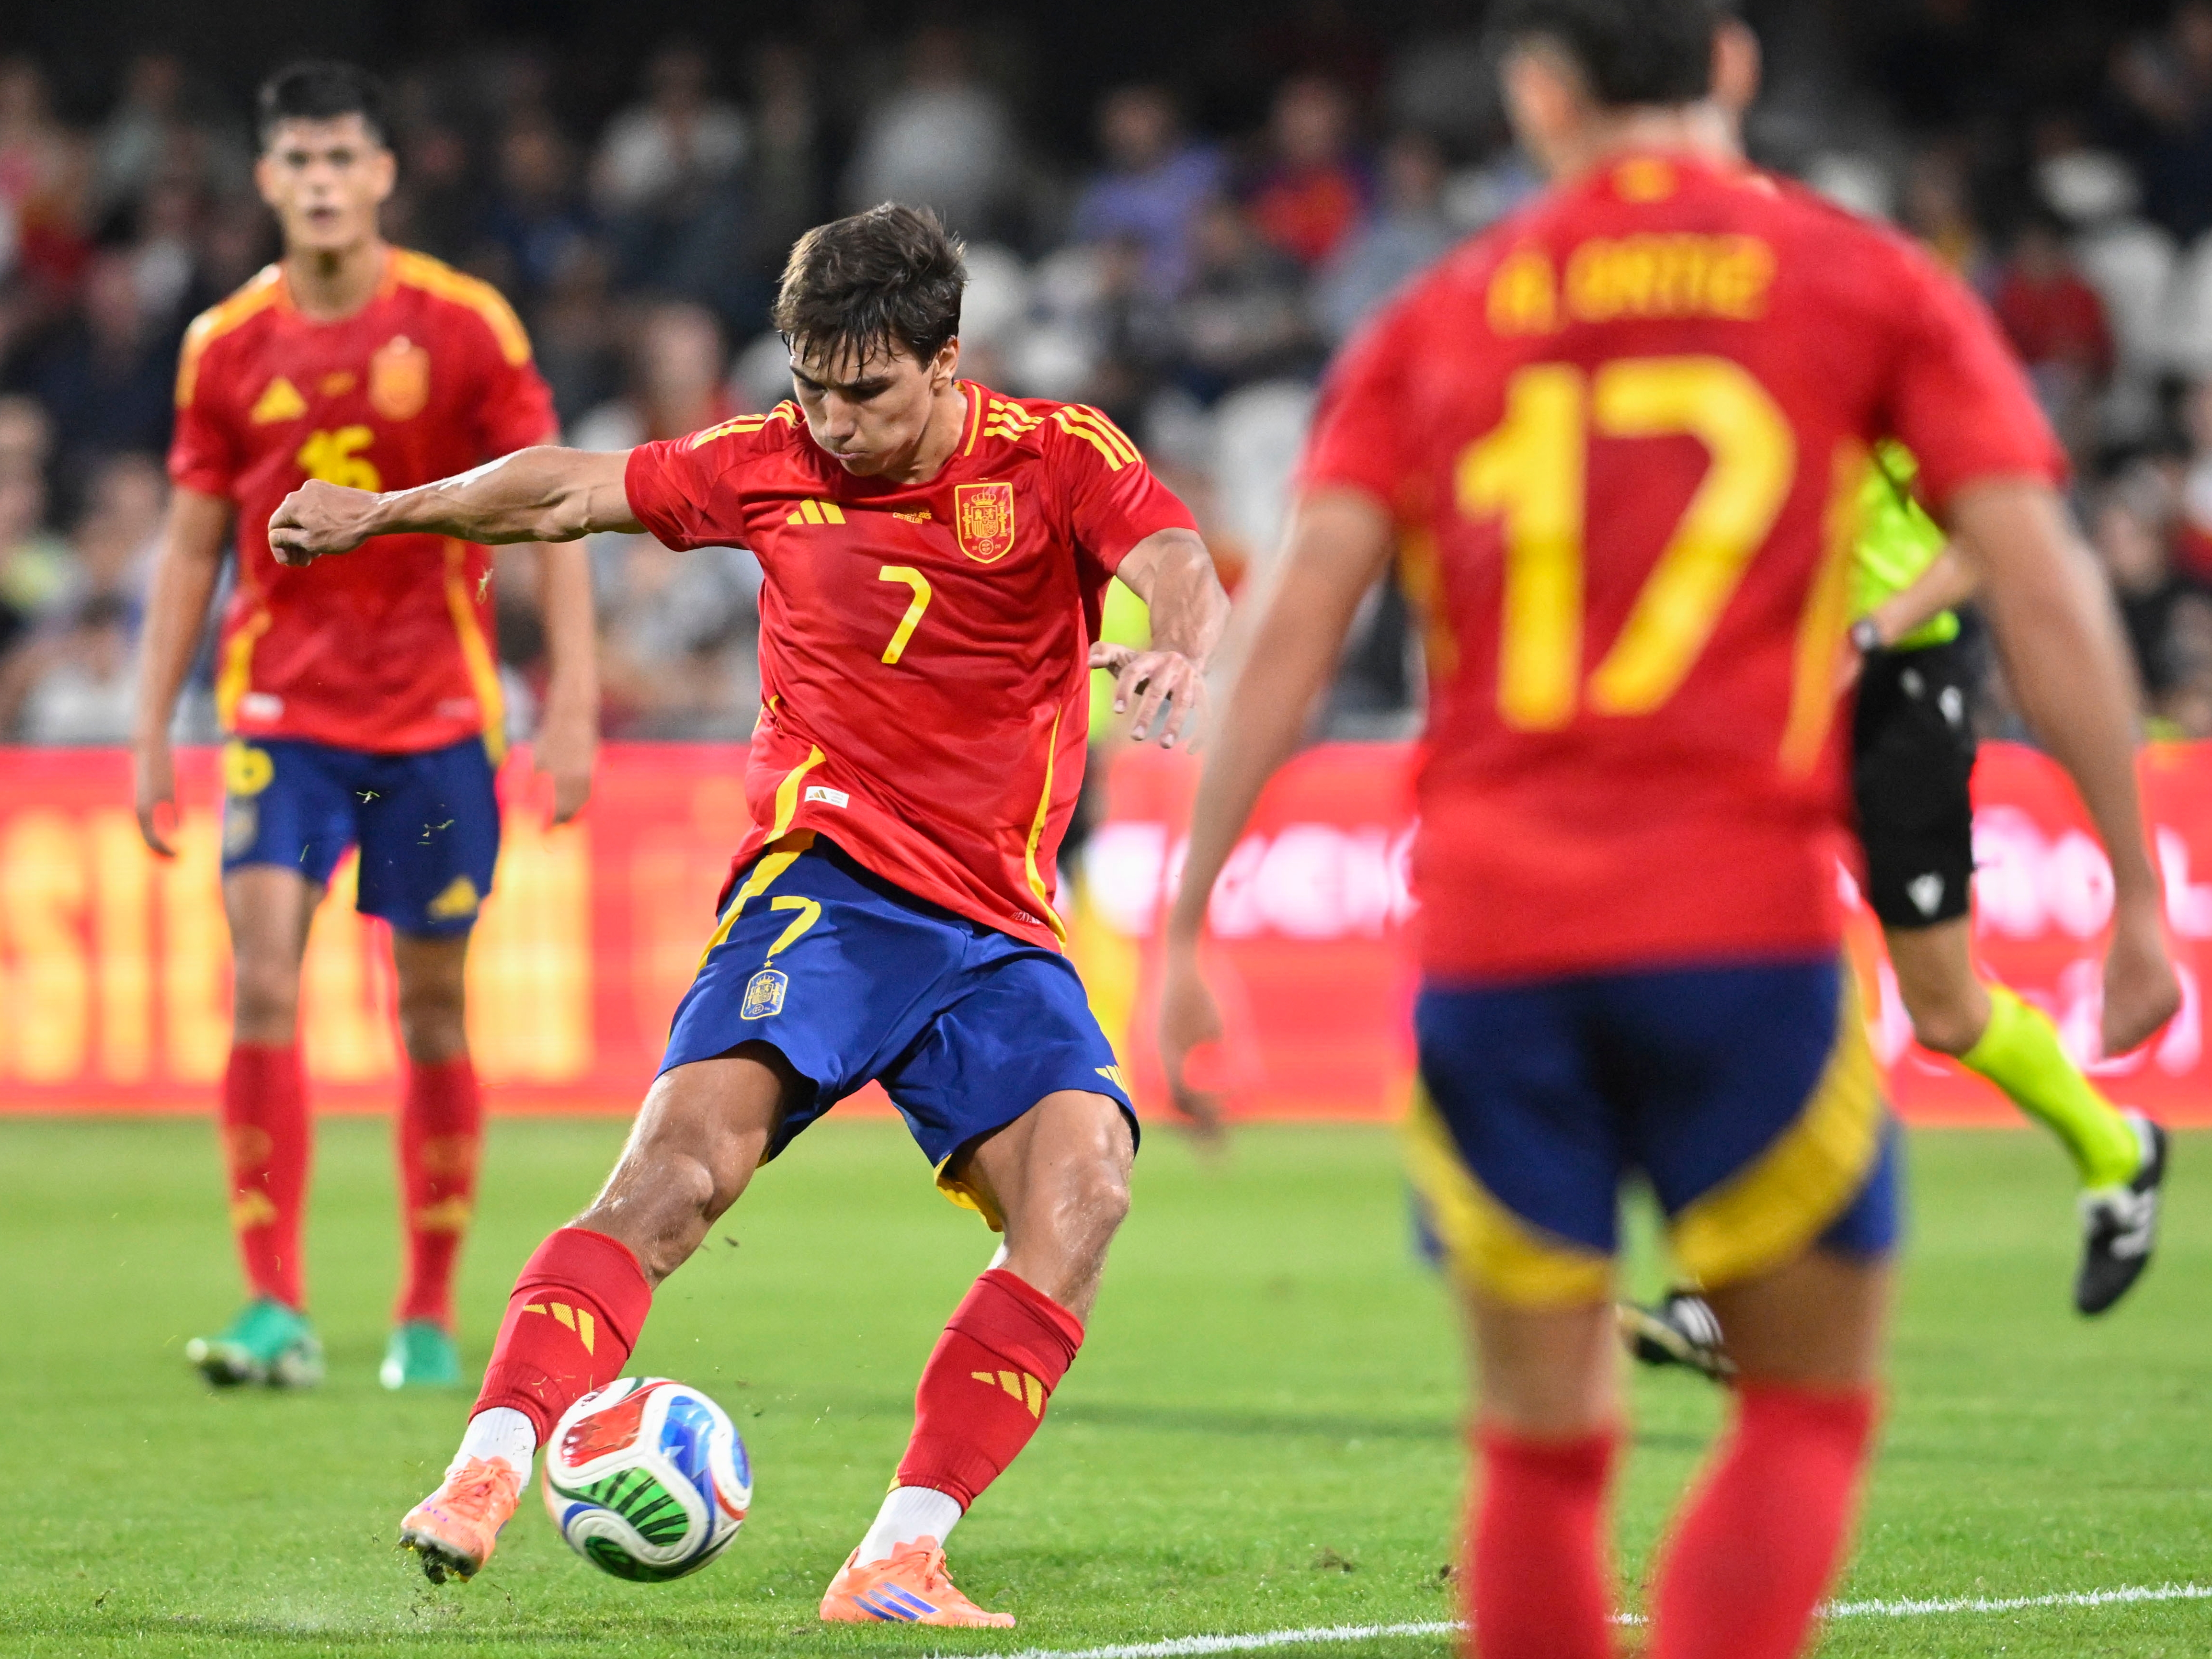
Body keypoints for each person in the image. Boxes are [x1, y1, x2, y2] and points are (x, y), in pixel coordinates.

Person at [1157, 4, 2180, 1658]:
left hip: (1491, 944)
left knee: (1542, 1453)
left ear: (1536, 89)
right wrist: (2133, 886)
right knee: (1803, 1411)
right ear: (1732, 65)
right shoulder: (1860, 285)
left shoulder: (1436, 315)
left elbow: (1287, 634)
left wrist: (1187, 921)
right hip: (1740, 935)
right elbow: (2045, 583)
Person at [266, 202, 1231, 1624]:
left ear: (948, 361)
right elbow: (563, 494)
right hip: (826, 889)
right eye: (809, 389)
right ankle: (485, 1464)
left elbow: (1176, 564)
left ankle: (898, 1551)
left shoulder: (1053, 457)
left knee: (1083, 1194)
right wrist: (388, 515)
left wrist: (1173, 653)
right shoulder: (762, 466)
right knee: (674, 1184)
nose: (831, 424)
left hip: (997, 930)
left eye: (867, 392)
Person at [131, 62, 597, 1395]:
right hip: (280, 717)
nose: (324, 182)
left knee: (433, 1014)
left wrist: (567, 702)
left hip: (438, 725)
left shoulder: (464, 327)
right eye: (300, 161)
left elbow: (561, 504)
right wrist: (151, 727)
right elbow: (185, 546)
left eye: (345, 157)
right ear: (269, 179)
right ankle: (274, 1302)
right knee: (265, 978)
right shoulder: (224, 343)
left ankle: (427, 1312)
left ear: (384, 172)